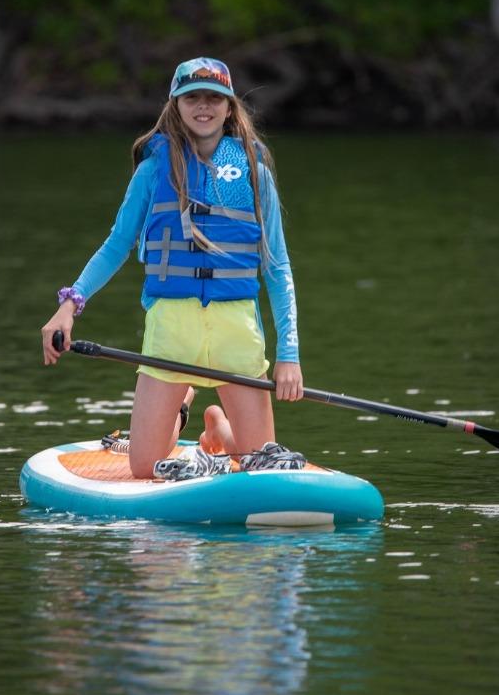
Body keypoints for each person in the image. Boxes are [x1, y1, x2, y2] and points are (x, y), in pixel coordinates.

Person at [41, 56, 304, 480]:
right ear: (175, 105)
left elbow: (277, 267)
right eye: (192, 97)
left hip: (236, 331)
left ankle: (218, 428)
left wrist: (288, 355)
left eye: (214, 98)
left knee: (259, 464)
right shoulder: (152, 169)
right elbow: (116, 246)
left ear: (230, 105)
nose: (204, 106)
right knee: (145, 467)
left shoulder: (255, 174)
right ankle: (181, 411)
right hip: (170, 330)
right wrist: (69, 306)